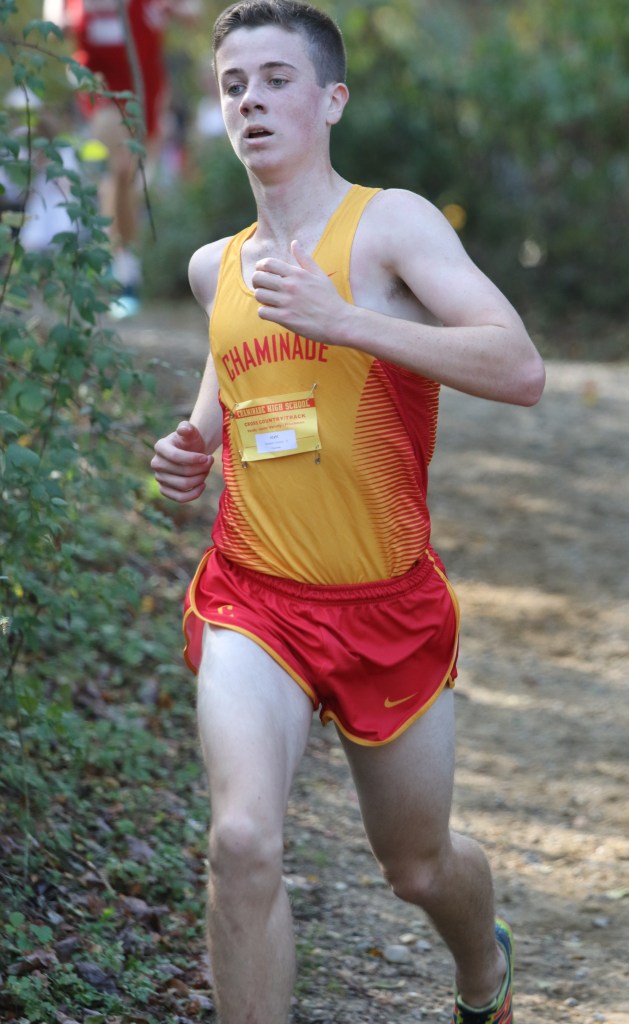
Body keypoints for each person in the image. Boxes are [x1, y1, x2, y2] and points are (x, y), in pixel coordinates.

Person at [151, 2, 545, 1021]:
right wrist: (189, 450)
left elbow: (518, 368)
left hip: (387, 607)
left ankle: (482, 968)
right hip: (255, 603)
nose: (250, 101)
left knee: (417, 866)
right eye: (233, 84)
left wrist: (347, 321)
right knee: (241, 841)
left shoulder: (391, 225)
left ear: (331, 99)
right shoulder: (214, 267)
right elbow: (230, 394)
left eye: (276, 79)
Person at [43, 0, 200, 315]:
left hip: (147, 92)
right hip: (100, 88)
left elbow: (192, 15)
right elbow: (52, 29)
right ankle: (126, 270)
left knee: (129, 181)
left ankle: (115, 252)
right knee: (123, 164)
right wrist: (70, 18)